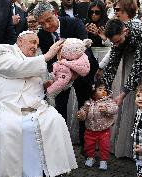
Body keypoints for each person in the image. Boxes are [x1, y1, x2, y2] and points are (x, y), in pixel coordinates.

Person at [0, 31, 77, 177]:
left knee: (54, 120)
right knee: (13, 128)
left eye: (37, 43)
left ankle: (50, 175)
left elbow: (49, 88)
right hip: (7, 107)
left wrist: (65, 79)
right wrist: (47, 56)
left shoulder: (38, 60)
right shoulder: (3, 51)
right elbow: (15, 68)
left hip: (35, 107)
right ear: (20, 41)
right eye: (32, 42)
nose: (35, 46)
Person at [33, 2, 99, 154]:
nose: (47, 26)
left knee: (84, 105)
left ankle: (86, 145)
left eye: (49, 20)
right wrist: (56, 77)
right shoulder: (42, 34)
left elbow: (85, 50)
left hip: (83, 72)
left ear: (55, 13)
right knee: (60, 107)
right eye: (42, 23)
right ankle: (61, 146)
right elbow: (49, 60)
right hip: (61, 77)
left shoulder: (74, 23)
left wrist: (74, 71)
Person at [102, 18, 142, 106]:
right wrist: (105, 93)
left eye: (118, 41)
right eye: (113, 43)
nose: (116, 45)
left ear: (126, 31)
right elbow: (112, 65)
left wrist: (122, 95)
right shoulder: (117, 38)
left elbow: (138, 67)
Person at [76, 80, 118, 170]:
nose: (103, 91)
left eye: (104, 89)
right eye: (100, 89)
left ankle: (103, 161)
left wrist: (106, 109)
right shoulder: (88, 103)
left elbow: (115, 108)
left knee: (104, 146)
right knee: (89, 145)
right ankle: (91, 158)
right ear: (93, 92)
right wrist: (81, 114)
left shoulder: (108, 101)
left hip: (104, 130)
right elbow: (84, 113)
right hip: (90, 129)